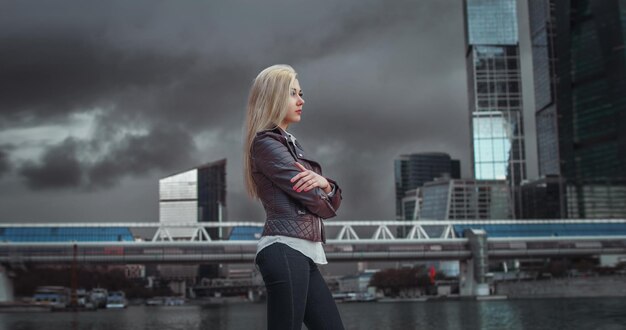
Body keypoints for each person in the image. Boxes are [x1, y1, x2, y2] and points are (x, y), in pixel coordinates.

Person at [243, 64, 345, 330]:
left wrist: (325, 183)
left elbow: (328, 201)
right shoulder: (266, 144)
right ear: (273, 97)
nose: (301, 100)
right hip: (284, 249)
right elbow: (319, 203)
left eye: (301, 93)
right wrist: (322, 189)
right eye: (293, 93)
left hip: (303, 252)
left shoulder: (289, 143)